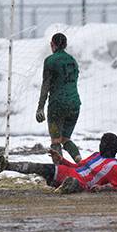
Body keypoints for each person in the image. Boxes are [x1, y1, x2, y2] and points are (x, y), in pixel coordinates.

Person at [0, 132, 117, 193]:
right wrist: (61, 159)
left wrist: (103, 188)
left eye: (103, 143)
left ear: (109, 147)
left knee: (74, 183)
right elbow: (77, 166)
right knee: (38, 167)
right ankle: (6, 165)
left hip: (81, 183)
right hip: (67, 172)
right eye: (100, 142)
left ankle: (64, 188)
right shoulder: (96, 155)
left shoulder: (113, 167)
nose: (100, 145)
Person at [36, 32, 82, 163]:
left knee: (56, 141)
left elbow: (46, 85)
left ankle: (59, 170)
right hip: (74, 104)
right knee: (66, 139)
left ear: (52, 44)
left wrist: (40, 108)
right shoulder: (73, 61)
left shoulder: (50, 60)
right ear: (66, 45)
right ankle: (80, 162)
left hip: (57, 105)